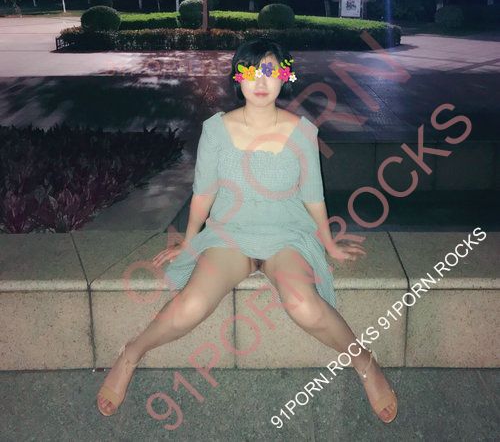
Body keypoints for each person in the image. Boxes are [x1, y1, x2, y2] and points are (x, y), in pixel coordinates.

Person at [97, 37, 398, 423]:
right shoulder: (216, 130)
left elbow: (313, 197)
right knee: (192, 304)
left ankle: (365, 363)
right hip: (229, 235)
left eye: (270, 71)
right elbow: (203, 194)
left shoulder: (302, 132)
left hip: (286, 236)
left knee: (304, 305)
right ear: (237, 78)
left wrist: (329, 244)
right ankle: (131, 353)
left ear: (285, 77)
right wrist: (189, 242)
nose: (261, 81)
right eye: (251, 71)